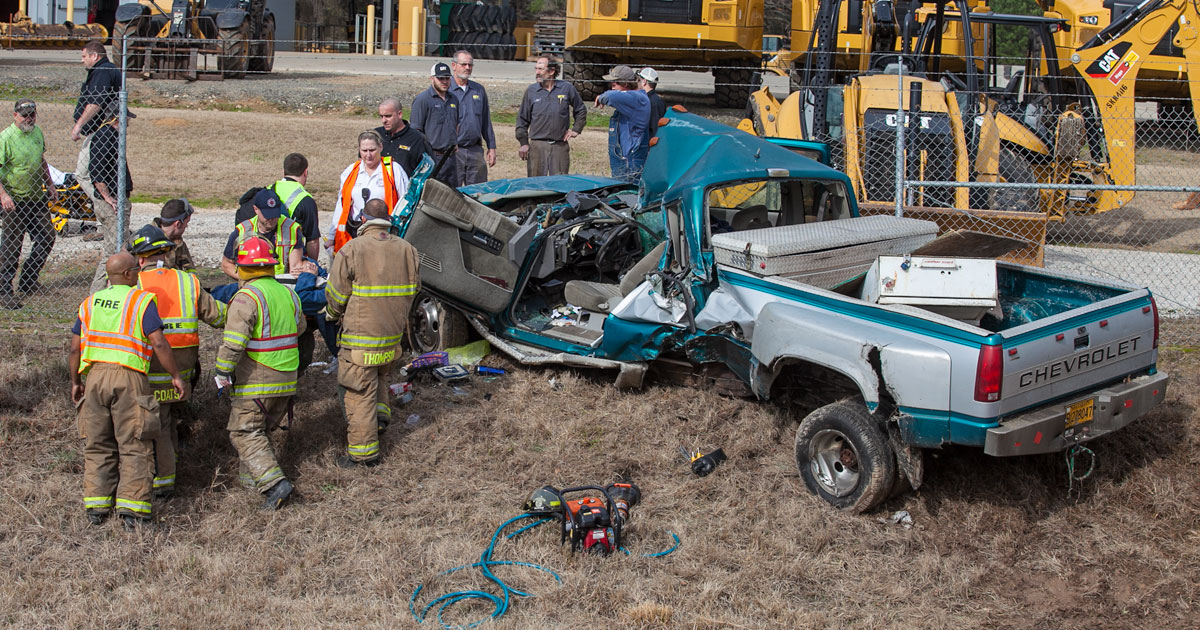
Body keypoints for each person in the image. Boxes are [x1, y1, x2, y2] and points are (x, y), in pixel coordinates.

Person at [69, 251, 184, 529]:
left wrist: (75, 381)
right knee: (135, 443)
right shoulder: (141, 301)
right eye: (135, 270)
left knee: (97, 443)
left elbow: (74, 347)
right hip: (129, 378)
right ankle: (133, 511)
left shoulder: (90, 303)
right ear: (128, 274)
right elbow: (158, 343)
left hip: (94, 378)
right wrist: (176, 375)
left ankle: (97, 507)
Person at [129, 224, 226, 498]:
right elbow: (218, 316)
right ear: (169, 253)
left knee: (154, 424)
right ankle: (170, 463)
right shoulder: (188, 281)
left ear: (139, 259)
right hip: (182, 371)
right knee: (168, 418)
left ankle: (161, 482)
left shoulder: (134, 283)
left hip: (150, 367)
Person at [324, 199, 420, 467]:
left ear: (363, 220)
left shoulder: (351, 250)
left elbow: (335, 295)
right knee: (379, 377)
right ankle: (380, 420)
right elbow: (414, 291)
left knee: (358, 391)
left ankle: (363, 454)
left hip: (360, 343)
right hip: (391, 340)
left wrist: (331, 316)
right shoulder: (408, 250)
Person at [213, 236, 304, 511]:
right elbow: (299, 328)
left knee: (244, 430)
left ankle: (275, 485)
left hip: (258, 378)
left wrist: (222, 372)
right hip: (288, 375)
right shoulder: (288, 293)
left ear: (243, 267)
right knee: (260, 431)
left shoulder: (246, 297)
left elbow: (233, 342)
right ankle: (249, 484)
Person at [73, 40, 134, 293]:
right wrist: (105, 196)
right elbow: (97, 170)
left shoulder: (103, 72)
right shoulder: (107, 136)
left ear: (94, 55)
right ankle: (98, 293)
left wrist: (79, 125)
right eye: (126, 119)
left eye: (84, 56)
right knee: (114, 250)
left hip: (110, 194)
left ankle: (103, 206)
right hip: (109, 197)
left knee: (116, 247)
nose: (82, 60)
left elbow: (95, 102)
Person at [0, 98, 58, 309]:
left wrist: (50, 184)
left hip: (36, 197)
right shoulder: (6, 138)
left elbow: (41, 160)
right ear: (15, 115)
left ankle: (28, 280)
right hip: (14, 200)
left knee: (47, 236)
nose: (28, 118)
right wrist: (3, 196)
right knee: (12, 245)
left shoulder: (37, 133)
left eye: (32, 114)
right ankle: (4, 290)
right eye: (24, 115)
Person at [329, 130, 409, 255]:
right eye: (364, 151)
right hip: (355, 230)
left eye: (372, 150)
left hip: (383, 231)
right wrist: (331, 236)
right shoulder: (350, 171)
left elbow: (405, 203)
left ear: (380, 147)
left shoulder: (394, 170)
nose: (368, 155)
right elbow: (341, 204)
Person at [516, 55, 588, 177]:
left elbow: (581, 110)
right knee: (536, 186)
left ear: (551, 71)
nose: (537, 72)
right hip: (537, 146)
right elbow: (522, 120)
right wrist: (523, 143)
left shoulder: (566, 88)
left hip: (559, 146)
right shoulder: (531, 91)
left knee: (559, 185)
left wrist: (576, 129)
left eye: (540, 69)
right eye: (536, 69)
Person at [220, 188, 304, 280]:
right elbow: (226, 264)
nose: (272, 219)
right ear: (256, 209)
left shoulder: (292, 229)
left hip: (281, 283)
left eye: (275, 214)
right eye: (267, 215)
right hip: (250, 283)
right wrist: (246, 280)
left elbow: (295, 269)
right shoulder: (242, 231)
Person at [594, 65, 651, 183]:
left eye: (615, 83)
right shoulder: (629, 100)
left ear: (625, 84)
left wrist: (601, 97)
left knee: (628, 197)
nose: (612, 86)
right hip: (623, 161)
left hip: (630, 163)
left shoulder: (638, 98)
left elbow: (610, 96)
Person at [449, 50, 497, 186]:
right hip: (453, 152)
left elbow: (486, 121)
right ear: (454, 65)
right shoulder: (446, 91)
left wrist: (491, 147)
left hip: (475, 151)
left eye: (470, 65)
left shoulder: (478, 90)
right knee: (452, 194)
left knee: (478, 193)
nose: (467, 68)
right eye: (463, 64)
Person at [410, 62, 461, 187]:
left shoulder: (453, 99)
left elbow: (456, 123)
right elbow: (416, 131)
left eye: (447, 78)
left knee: (453, 194)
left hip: (451, 158)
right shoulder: (423, 100)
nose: (444, 81)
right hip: (432, 157)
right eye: (440, 78)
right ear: (432, 78)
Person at [266, 154, 321, 261]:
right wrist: (313, 264)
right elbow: (312, 241)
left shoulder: (266, 192)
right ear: (305, 172)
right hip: (292, 261)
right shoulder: (306, 199)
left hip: (265, 257)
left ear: (283, 172)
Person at [376, 97, 434, 179]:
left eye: (388, 116)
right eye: (381, 116)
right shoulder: (375, 136)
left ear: (399, 114)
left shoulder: (417, 139)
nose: (384, 120)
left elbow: (428, 171)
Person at [152, 199, 196, 271]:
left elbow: (190, 269)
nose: (186, 227)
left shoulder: (178, 243)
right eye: (186, 223)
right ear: (178, 224)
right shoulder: (146, 243)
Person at [638, 67, 667, 139]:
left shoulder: (654, 102)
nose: (636, 83)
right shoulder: (649, 100)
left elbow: (656, 130)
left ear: (644, 82)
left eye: (638, 80)